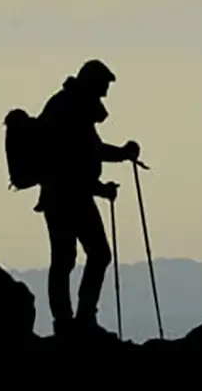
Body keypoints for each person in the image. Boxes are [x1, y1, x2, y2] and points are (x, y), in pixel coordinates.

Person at [35, 60, 140, 338]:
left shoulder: (70, 106)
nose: (105, 94)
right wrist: (101, 189)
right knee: (82, 256)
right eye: (103, 87)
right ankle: (76, 320)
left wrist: (121, 154)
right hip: (68, 197)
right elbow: (72, 162)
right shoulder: (71, 110)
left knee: (67, 257)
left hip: (62, 196)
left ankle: (71, 321)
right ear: (92, 84)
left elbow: (89, 151)